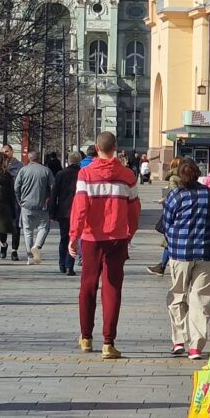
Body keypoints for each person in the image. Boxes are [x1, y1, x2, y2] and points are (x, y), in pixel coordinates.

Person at [69, 132, 141, 360]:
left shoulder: (85, 174)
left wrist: (74, 236)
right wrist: (129, 234)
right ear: (115, 148)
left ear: (96, 147)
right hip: (117, 238)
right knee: (112, 289)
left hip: (91, 238)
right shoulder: (128, 175)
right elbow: (134, 209)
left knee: (87, 287)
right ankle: (108, 343)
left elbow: (80, 208)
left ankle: (86, 337)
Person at [162, 161, 210, 360]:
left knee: (177, 295)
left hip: (180, 253)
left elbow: (166, 223)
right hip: (207, 254)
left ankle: (179, 340)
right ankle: (196, 346)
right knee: (201, 299)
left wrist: (175, 238)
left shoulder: (175, 196)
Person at [13, 151, 55, 266]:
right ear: (39, 158)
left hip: (26, 204)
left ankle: (29, 257)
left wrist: (19, 200)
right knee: (44, 227)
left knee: (28, 231)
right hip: (42, 204)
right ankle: (37, 246)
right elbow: (53, 186)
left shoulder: (23, 170)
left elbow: (16, 187)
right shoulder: (46, 170)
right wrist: (49, 198)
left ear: (29, 158)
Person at [146, 156, 185, 277]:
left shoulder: (173, 178)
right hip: (184, 209)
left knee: (169, 239)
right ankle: (162, 265)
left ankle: (162, 266)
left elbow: (175, 194)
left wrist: (165, 200)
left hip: (175, 211)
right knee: (170, 240)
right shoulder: (184, 177)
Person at [50, 152, 82, 276]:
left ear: (68, 161)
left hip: (63, 211)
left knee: (64, 238)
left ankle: (62, 264)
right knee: (74, 238)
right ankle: (70, 266)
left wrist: (52, 211)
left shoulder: (60, 174)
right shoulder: (82, 174)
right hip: (78, 211)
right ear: (79, 161)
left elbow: (54, 194)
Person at [0, 144, 24, 261]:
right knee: (2, 225)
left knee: (16, 226)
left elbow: (23, 183)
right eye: (3, 152)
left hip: (15, 199)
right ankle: (3, 245)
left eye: (7, 151)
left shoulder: (19, 166)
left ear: (12, 152)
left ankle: (14, 250)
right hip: (3, 199)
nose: (5, 154)